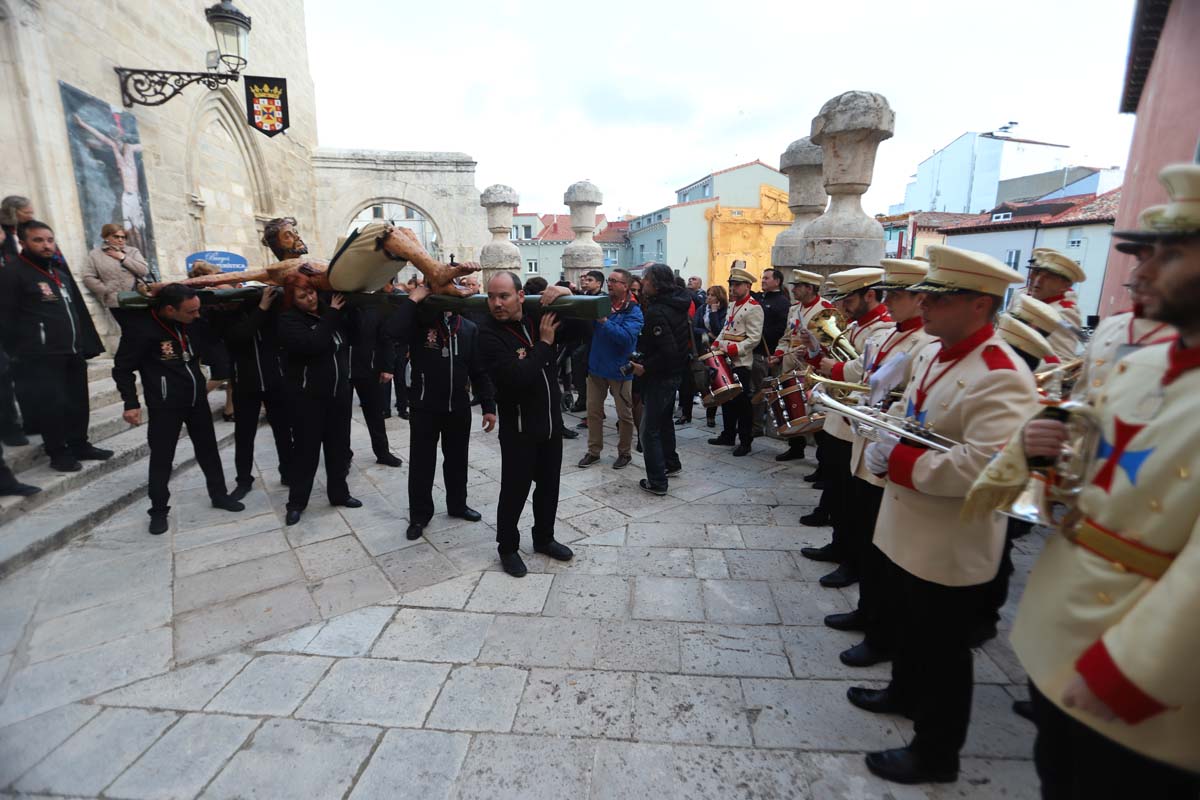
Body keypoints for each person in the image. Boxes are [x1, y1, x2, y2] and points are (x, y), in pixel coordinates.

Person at [1007, 164, 1200, 795]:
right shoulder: (1143, 367)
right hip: (1061, 628)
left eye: (1168, 256)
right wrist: (1043, 456)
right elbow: (1089, 480)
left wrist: (1135, 671)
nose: (1140, 273)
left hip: (1147, 671)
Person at [848, 245, 1036, 785]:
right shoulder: (935, 349)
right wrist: (888, 432)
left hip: (952, 536)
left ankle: (936, 753)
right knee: (912, 625)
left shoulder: (1002, 372)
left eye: (939, 298)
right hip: (911, 522)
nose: (924, 308)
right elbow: (917, 418)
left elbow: (985, 466)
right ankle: (903, 693)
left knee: (945, 652)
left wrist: (899, 459)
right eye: (924, 295)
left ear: (980, 305)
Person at [819, 259, 935, 670]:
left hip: (887, 451)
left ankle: (880, 629)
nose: (889, 302)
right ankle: (869, 614)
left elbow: (898, 394)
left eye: (896, 295)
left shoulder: (921, 341)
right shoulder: (902, 336)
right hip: (870, 443)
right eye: (886, 294)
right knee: (866, 532)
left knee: (880, 547)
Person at [113, 282, 246, 533]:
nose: (197, 315)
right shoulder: (141, 330)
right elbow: (122, 368)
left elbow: (212, 340)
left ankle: (219, 495)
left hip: (196, 400)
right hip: (165, 405)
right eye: (191, 311)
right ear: (170, 310)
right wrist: (131, 403)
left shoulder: (193, 324)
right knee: (163, 458)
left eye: (198, 310)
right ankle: (159, 510)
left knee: (209, 451)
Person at [478, 272, 575, 577]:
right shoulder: (488, 334)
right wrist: (545, 345)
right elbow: (517, 377)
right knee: (515, 491)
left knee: (549, 488)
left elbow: (581, 327)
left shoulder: (537, 317)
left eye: (503, 296)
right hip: (519, 429)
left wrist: (562, 291)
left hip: (550, 425)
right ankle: (507, 547)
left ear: (520, 296)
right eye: (492, 296)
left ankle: (544, 538)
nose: (496, 303)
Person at [798, 268, 892, 578]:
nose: (843, 305)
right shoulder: (855, 326)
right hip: (839, 420)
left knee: (854, 500)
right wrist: (814, 349)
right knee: (838, 490)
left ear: (870, 295)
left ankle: (851, 561)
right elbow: (830, 361)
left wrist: (832, 367)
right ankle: (838, 544)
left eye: (849, 298)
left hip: (857, 426)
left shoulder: (882, 330)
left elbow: (867, 372)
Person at [386, 283, 496, 540]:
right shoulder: (420, 324)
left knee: (457, 460)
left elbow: (479, 370)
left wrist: (489, 406)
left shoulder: (468, 328)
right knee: (422, 463)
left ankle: (457, 505)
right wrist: (413, 300)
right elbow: (391, 332)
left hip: (458, 407)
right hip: (425, 407)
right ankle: (419, 515)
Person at [0, 221, 110, 472]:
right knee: (52, 406)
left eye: (49, 240)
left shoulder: (59, 272)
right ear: (24, 242)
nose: (46, 245)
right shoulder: (12, 274)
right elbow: (6, 318)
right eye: (38, 240)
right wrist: (20, 350)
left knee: (78, 402)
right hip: (40, 355)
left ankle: (80, 444)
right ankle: (58, 453)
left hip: (71, 351)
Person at [276, 275, 361, 526]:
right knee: (306, 454)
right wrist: (332, 314)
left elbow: (354, 335)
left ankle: (339, 494)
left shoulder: (331, 312)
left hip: (339, 396)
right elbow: (312, 344)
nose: (310, 298)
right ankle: (296, 503)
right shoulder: (288, 321)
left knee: (338, 450)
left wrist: (349, 308)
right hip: (307, 400)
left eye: (312, 292)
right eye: (302, 296)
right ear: (292, 299)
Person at [219, 284, 293, 499]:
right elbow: (240, 336)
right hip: (246, 385)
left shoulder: (274, 315)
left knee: (283, 431)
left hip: (275, 382)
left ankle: (288, 472)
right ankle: (243, 480)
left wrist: (266, 307)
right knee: (244, 435)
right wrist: (260, 309)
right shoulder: (227, 317)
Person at [632, 264, 690, 495]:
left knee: (648, 430)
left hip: (661, 376)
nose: (642, 284)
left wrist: (644, 367)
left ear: (655, 284)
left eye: (645, 280)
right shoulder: (677, 303)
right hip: (674, 373)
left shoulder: (658, 310)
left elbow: (668, 351)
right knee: (664, 420)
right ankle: (671, 463)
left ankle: (657, 482)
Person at [577, 268, 643, 469]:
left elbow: (626, 339)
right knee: (594, 413)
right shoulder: (601, 303)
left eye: (614, 281)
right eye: (609, 281)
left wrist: (604, 322)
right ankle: (593, 451)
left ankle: (624, 453)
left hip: (620, 371)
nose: (610, 284)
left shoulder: (634, 310)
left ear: (625, 285)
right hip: (596, 367)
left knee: (625, 415)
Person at [771, 268, 833, 461]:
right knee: (794, 407)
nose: (794, 289)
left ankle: (823, 462)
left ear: (810, 288)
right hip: (791, 365)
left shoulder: (826, 309)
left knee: (816, 413)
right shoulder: (794, 309)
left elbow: (831, 343)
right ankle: (796, 448)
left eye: (798, 286)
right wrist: (779, 353)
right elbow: (787, 337)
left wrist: (810, 351)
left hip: (812, 369)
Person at [707, 266, 763, 456]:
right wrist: (716, 342)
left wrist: (733, 348)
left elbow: (754, 338)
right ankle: (728, 434)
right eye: (731, 284)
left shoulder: (754, 308)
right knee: (727, 400)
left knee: (742, 403)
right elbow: (726, 328)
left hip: (740, 362)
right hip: (725, 358)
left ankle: (746, 440)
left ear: (747, 286)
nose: (732, 288)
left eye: (737, 285)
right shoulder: (732, 305)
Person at [348, 296, 403, 467]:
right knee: (341, 417)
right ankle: (343, 454)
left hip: (368, 369)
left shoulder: (374, 306)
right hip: (342, 370)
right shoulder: (336, 303)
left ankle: (382, 452)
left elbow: (386, 338)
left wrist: (388, 367)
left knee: (375, 414)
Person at [1020, 247, 1086, 360]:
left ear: (1065, 286)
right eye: (1037, 273)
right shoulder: (1028, 299)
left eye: (1048, 277)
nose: (1037, 280)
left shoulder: (1063, 314)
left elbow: (1063, 361)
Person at [81, 223, 150, 329]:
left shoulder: (132, 251)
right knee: (129, 330)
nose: (120, 240)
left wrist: (123, 257)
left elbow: (144, 270)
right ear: (106, 237)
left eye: (123, 237)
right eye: (116, 236)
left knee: (141, 330)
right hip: (116, 301)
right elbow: (88, 276)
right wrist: (105, 290)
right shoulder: (95, 255)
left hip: (137, 297)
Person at [753, 266, 791, 434]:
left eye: (767, 278)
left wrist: (760, 332)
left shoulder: (782, 303)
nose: (763, 280)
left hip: (768, 353)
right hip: (754, 350)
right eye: (762, 277)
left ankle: (759, 426)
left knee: (762, 390)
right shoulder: (759, 299)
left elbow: (781, 329)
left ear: (777, 281)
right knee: (753, 390)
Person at [568, 269, 605, 414]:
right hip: (584, 339)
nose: (585, 282)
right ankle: (584, 399)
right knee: (578, 369)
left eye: (590, 280)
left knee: (594, 377)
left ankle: (595, 407)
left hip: (597, 342)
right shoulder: (584, 296)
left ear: (599, 283)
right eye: (584, 279)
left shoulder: (602, 299)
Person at [693, 284, 728, 427]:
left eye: (712, 295)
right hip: (704, 348)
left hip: (718, 349)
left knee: (717, 380)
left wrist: (714, 313)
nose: (709, 297)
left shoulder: (724, 311)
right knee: (705, 380)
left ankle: (712, 415)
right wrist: (705, 333)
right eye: (708, 294)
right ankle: (709, 410)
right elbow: (694, 326)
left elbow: (719, 329)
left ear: (719, 297)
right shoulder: (702, 309)